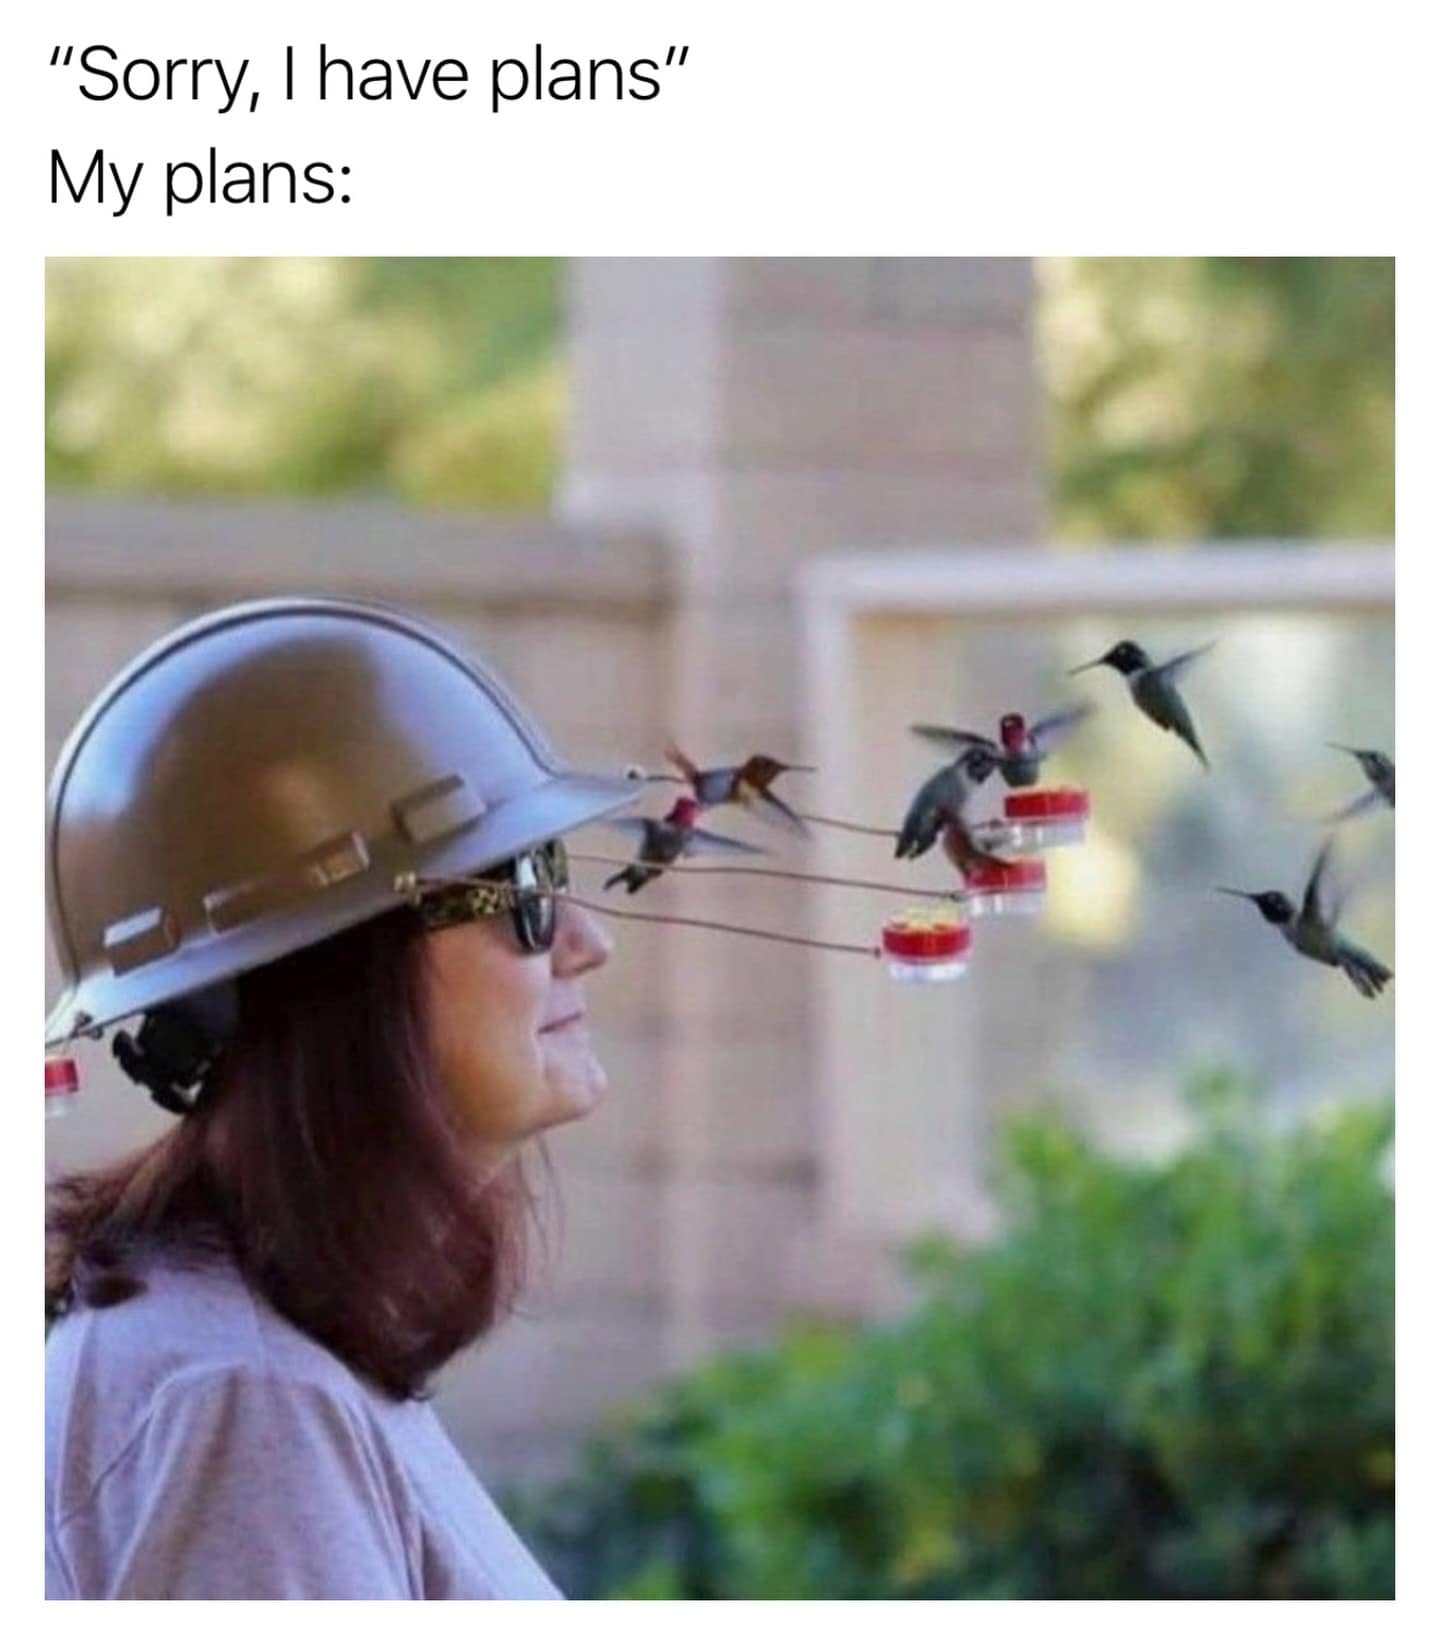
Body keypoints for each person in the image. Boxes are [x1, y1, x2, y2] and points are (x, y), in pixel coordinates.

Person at [44, 597, 645, 1599]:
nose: (589, 941)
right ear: (341, 970)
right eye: (524, 888)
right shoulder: (245, 1399)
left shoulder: (276, 1351)